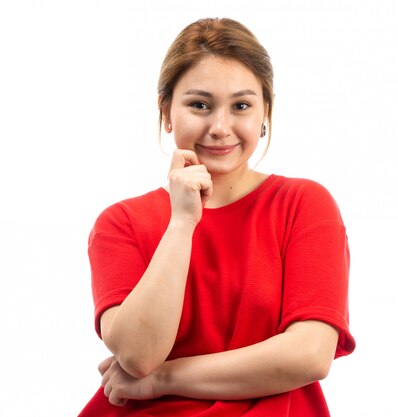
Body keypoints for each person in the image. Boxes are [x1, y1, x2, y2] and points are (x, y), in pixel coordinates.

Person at [78, 17, 355, 417]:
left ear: (264, 115)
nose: (220, 128)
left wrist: (162, 380)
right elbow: (138, 355)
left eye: (241, 106)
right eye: (199, 105)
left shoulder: (302, 204)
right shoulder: (121, 223)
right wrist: (181, 223)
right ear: (167, 113)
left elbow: (310, 354)